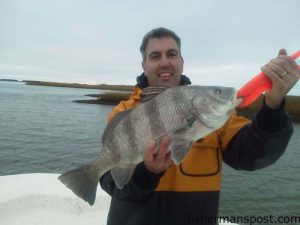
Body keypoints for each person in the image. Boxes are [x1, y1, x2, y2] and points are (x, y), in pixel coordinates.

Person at [100, 27, 299, 225]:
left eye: (171, 54)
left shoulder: (219, 117)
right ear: (144, 65)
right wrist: (147, 172)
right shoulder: (122, 114)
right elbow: (111, 183)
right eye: (155, 56)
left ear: (181, 61)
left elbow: (252, 155)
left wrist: (273, 107)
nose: (164, 62)